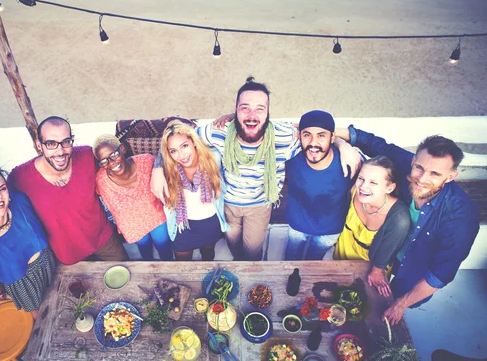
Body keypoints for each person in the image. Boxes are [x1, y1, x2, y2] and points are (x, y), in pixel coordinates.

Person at [153, 77, 361, 261]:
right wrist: (158, 167)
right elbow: (179, 137)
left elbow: (315, 137)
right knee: (233, 244)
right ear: (236, 111)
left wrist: (343, 145)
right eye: (245, 108)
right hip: (229, 204)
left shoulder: (285, 135)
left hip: (260, 206)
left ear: (268, 113)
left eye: (260, 109)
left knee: (252, 251)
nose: (252, 115)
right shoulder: (220, 132)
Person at [336, 127, 480, 324]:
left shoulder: (461, 218)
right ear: (413, 161)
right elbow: (373, 143)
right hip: (386, 257)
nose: (421, 179)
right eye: (419, 168)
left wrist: (401, 304)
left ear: (450, 177)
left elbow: (440, 273)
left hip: (414, 271)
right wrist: (334, 135)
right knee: (361, 299)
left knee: (385, 311)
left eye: (435, 174)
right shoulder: (406, 166)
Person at [0, 116, 128, 266]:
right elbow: (2, 211)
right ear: (39, 145)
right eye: (51, 143)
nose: (60, 151)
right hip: (67, 256)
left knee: (129, 278)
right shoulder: (20, 178)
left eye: (66, 142)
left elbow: (121, 173)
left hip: (106, 241)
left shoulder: (87, 156)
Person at [0, 162, 56, 320]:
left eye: (2, 189)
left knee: (61, 298)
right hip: (24, 286)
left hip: (47, 262)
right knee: (43, 318)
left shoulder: (20, 202)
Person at [333, 156, 411, 297]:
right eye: (361, 178)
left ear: (390, 188)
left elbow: (386, 253)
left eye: (373, 182)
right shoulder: (354, 191)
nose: (363, 186)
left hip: (370, 269)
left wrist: (376, 272)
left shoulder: (399, 218)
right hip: (341, 256)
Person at [283, 110, 354, 260]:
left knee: (314, 261)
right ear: (299, 136)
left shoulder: (349, 162)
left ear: (332, 137)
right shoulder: (292, 155)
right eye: (307, 135)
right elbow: (258, 125)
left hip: (330, 230)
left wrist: (345, 145)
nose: (313, 143)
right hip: (296, 225)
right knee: (291, 258)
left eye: (321, 135)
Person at [93, 134, 173, 261]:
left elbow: (167, 165)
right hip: (131, 226)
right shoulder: (100, 180)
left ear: (122, 149)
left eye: (114, 154)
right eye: (104, 161)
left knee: (163, 246)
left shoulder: (147, 162)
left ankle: (168, 267)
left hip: (156, 217)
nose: (111, 163)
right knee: (145, 250)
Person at [161, 121, 230, 261]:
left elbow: (235, 132)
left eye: (184, 146)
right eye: (173, 151)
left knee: (208, 257)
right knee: (183, 266)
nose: (181, 155)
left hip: (210, 223)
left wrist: (228, 116)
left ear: (193, 142)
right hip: (183, 227)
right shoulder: (167, 169)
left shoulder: (213, 159)